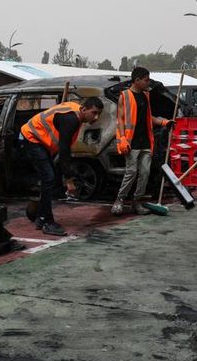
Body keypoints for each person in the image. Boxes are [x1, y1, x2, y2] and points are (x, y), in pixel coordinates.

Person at [20, 96, 104, 236]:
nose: (96, 117)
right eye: (94, 113)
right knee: (49, 178)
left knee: (51, 178)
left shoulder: (75, 111)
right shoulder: (71, 120)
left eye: (98, 114)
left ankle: (40, 215)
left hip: (41, 141)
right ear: (83, 109)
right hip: (32, 137)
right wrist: (69, 180)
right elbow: (64, 152)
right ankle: (46, 221)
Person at [112, 67, 173, 215]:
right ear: (137, 80)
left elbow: (148, 117)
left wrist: (164, 122)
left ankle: (136, 202)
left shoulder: (146, 96)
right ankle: (119, 200)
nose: (148, 83)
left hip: (146, 141)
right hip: (131, 142)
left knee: (145, 172)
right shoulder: (124, 96)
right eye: (146, 80)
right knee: (131, 172)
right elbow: (120, 120)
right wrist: (122, 139)